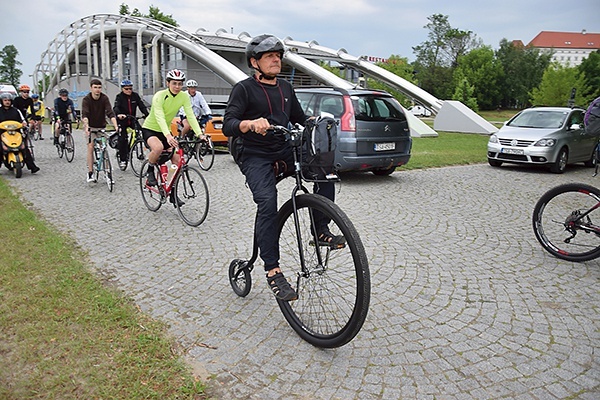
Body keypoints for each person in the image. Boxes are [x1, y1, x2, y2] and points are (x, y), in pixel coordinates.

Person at [223, 34, 343, 301]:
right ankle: (272, 269)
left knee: (324, 168)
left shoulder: (286, 88)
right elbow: (228, 124)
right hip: (254, 154)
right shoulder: (244, 89)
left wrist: (314, 121)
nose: (276, 59)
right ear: (255, 62)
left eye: (278, 55)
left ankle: (320, 230)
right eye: (269, 56)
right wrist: (249, 123)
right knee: (267, 202)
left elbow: (297, 117)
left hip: (283, 148)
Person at [141, 69, 203, 206]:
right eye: (174, 83)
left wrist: (200, 134)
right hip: (151, 128)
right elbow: (159, 116)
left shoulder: (184, 97)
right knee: (158, 148)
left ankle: (172, 191)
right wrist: (168, 135)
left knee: (177, 161)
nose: (177, 87)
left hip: (165, 130)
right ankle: (150, 170)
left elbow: (190, 116)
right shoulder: (159, 95)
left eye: (180, 84)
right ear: (168, 83)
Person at [81, 78, 118, 183]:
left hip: (101, 127)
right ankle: (90, 172)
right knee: (90, 146)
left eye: (99, 87)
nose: (97, 90)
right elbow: (85, 114)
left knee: (104, 147)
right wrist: (86, 126)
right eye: (95, 87)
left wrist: (116, 126)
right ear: (91, 88)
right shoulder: (86, 99)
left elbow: (110, 113)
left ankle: (108, 172)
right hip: (91, 127)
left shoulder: (104, 98)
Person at [113, 79, 149, 169]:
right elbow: (116, 107)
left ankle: (140, 149)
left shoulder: (135, 96)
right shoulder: (119, 97)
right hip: (123, 120)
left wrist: (147, 115)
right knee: (122, 139)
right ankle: (123, 160)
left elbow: (141, 106)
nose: (129, 90)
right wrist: (119, 114)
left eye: (130, 88)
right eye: (126, 89)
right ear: (122, 89)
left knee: (142, 131)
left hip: (132, 119)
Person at [0, 92, 39, 173]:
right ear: (2, 101)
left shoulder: (16, 111)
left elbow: (23, 120)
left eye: (9, 100)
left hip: (15, 133)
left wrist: (24, 124)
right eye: (5, 100)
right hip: (2, 133)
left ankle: (32, 166)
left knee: (24, 147)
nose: (7, 102)